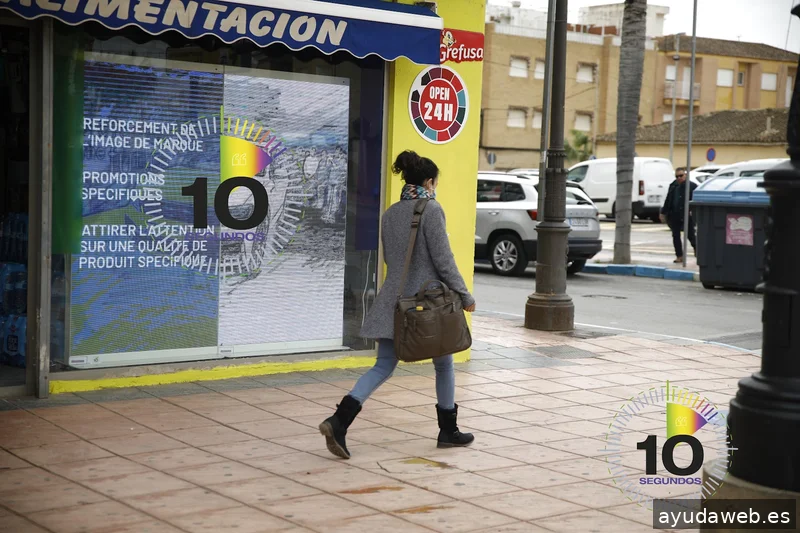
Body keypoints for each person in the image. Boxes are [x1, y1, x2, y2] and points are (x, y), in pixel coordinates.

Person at [319, 150, 476, 459]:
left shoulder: (390, 213)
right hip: (427, 306)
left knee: (382, 366)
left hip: (394, 302)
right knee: (444, 364)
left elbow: (393, 260)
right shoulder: (431, 209)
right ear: (430, 182)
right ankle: (448, 430)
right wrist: (464, 294)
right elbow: (444, 260)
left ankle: (340, 420)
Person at [660, 167, 697, 263]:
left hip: (686, 214)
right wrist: (663, 212)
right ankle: (679, 255)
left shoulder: (691, 186)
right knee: (675, 235)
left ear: (685, 175)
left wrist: (693, 211)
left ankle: (696, 249)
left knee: (690, 234)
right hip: (674, 214)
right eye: (677, 176)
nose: (679, 178)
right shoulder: (673, 186)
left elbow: (695, 201)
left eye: (681, 175)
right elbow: (668, 200)